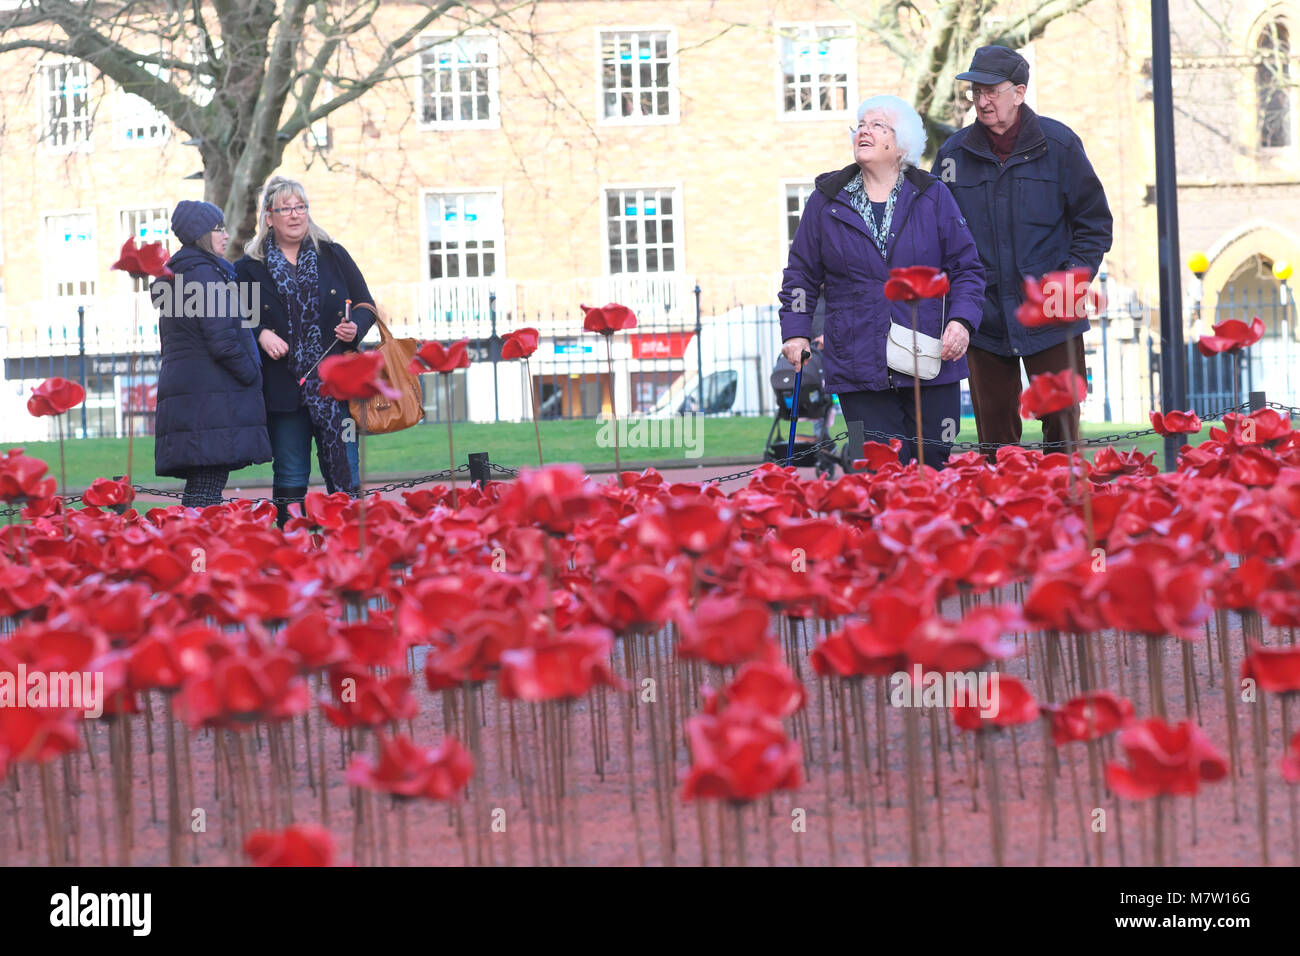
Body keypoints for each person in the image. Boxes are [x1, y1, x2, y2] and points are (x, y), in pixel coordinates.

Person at [779, 95, 985, 467]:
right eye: (860, 125)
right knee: (876, 467)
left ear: (901, 143)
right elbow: (801, 275)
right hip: (858, 364)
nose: (864, 131)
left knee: (933, 461)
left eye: (877, 125)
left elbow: (967, 268)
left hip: (931, 359)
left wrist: (962, 321)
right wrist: (796, 331)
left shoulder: (933, 194)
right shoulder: (825, 202)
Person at [933, 45, 1113, 453]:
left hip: (1052, 312)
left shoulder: (1061, 145)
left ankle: (1065, 511)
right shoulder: (952, 156)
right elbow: (936, 233)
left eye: (991, 91)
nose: (981, 100)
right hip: (984, 316)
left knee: (1064, 437)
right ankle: (999, 512)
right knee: (995, 442)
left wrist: (1067, 282)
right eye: (975, 91)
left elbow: (1094, 223)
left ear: (1019, 91)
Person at [234, 175, 376, 527]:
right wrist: (261, 332)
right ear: (269, 217)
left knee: (346, 471)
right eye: (286, 209)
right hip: (285, 392)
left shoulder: (333, 255)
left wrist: (355, 326)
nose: (295, 215)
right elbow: (235, 319)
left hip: (335, 389)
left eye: (301, 207)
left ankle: (349, 544)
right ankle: (291, 547)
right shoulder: (250, 269)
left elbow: (366, 305)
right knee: (291, 473)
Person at [153, 200, 271, 507]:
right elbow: (222, 340)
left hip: (195, 396)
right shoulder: (204, 274)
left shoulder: (181, 274)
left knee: (202, 488)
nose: (225, 234)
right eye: (218, 228)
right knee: (205, 490)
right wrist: (252, 373)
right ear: (201, 234)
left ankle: (191, 549)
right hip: (210, 398)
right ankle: (196, 551)